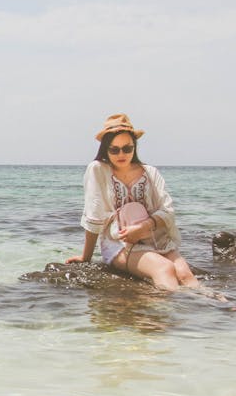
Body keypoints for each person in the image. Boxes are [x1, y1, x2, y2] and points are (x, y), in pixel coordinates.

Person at [66, 113, 200, 292]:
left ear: (134, 147)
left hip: (155, 238)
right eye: (114, 149)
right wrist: (86, 257)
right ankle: (159, 318)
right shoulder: (98, 170)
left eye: (127, 148)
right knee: (165, 269)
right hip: (119, 243)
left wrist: (143, 227)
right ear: (105, 149)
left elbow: (167, 211)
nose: (121, 154)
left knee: (185, 274)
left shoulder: (150, 172)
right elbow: (94, 215)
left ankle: (214, 308)